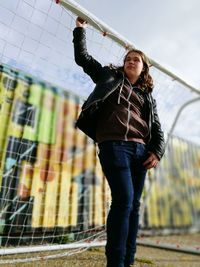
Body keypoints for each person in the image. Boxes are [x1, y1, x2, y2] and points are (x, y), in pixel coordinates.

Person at [73, 17, 165, 267]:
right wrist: (80, 29)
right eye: (128, 59)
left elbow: (156, 127)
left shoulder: (147, 97)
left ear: (144, 67)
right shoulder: (109, 77)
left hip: (141, 151)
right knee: (124, 199)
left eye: (136, 59)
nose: (131, 61)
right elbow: (83, 58)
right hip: (114, 146)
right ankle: (115, 262)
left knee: (134, 206)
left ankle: (129, 261)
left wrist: (157, 151)